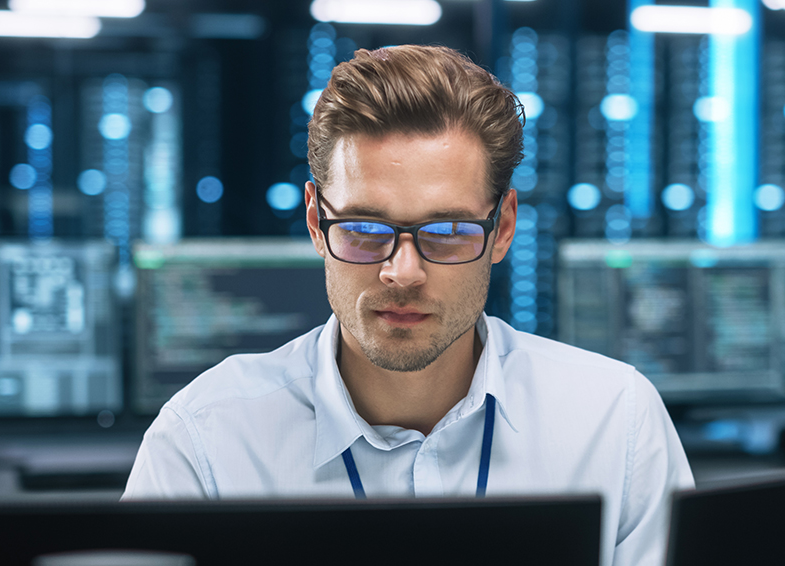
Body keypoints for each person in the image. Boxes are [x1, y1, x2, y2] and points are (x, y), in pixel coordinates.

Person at [123, 45, 695, 566]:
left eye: (447, 230)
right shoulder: (205, 438)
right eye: (364, 228)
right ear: (316, 222)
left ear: (503, 229)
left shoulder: (614, 419)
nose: (402, 272)